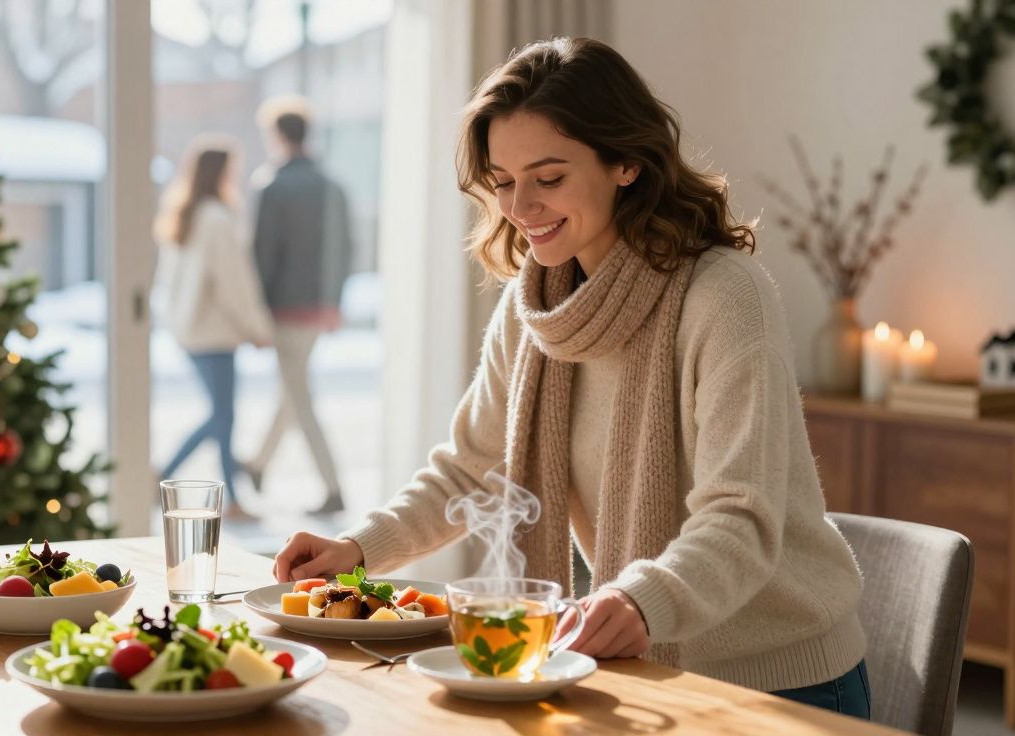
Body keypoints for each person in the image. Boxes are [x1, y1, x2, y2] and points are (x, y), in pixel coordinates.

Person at [271, 38, 870, 719]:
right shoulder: (536, 309)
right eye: (502, 181)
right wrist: (355, 551)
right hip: (638, 670)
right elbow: (470, 471)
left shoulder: (724, 297)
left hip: (781, 684)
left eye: (548, 178)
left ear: (625, 163)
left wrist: (641, 597)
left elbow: (741, 518)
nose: (520, 207)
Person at [241, 96, 353, 515]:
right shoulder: (332, 185)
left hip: (284, 309)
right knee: (292, 390)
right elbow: (348, 248)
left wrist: (256, 315)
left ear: (276, 135)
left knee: (299, 396)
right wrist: (334, 302)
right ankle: (257, 465)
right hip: (319, 307)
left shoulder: (272, 184)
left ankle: (333, 487)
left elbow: (262, 254)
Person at [156, 136, 272, 520]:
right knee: (223, 415)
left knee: (221, 414)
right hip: (215, 334)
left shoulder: (184, 215)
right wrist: (256, 327)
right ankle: (216, 493)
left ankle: (167, 476)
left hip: (190, 332)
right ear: (221, 173)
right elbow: (233, 283)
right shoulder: (217, 220)